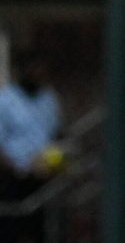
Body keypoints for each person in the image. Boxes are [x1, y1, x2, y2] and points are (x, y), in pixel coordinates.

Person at [0, 48, 63, 243]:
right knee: (11, 229)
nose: (38, 73)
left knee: (40, 230)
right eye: (33, 68)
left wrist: (55, 164)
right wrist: (17, 168)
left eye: (40, 68)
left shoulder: (49, 99)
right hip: (14, 177)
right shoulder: (6, 99)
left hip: (43, 175)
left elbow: (56, 135)